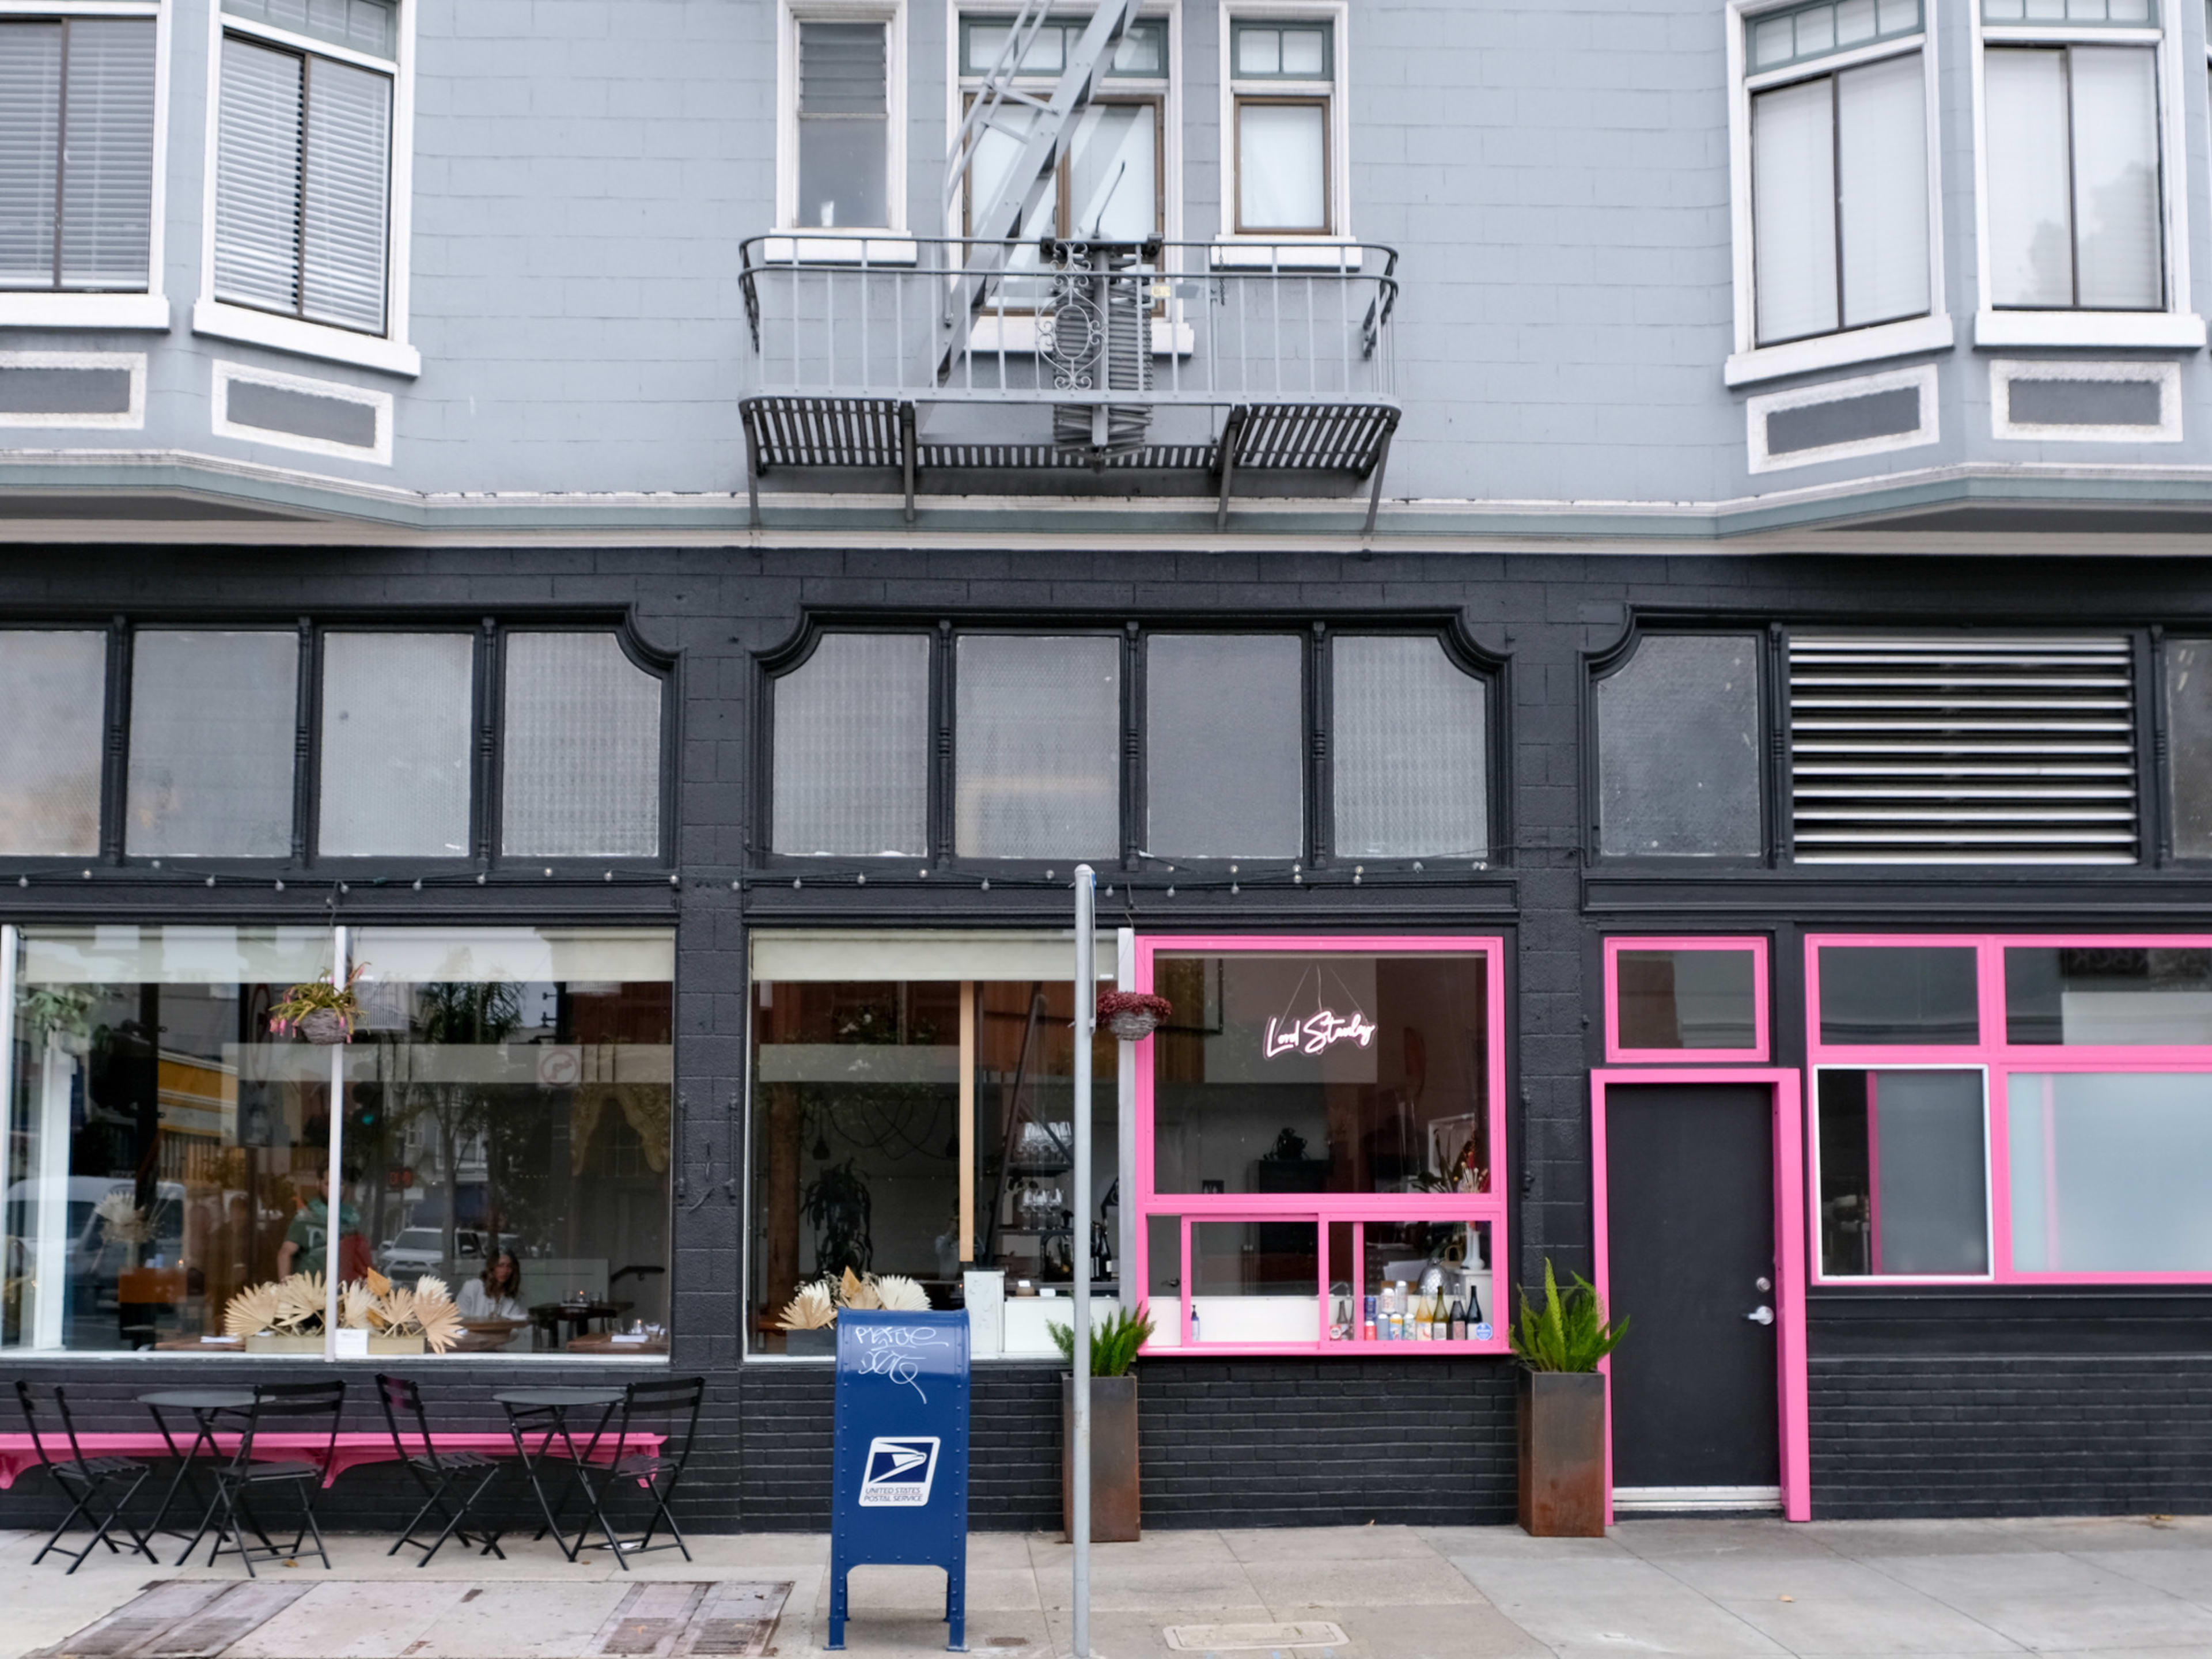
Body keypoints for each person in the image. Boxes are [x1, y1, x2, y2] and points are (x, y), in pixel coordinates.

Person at [276, 1169, 358, 1279]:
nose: (335, 1189)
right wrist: (284, 1289)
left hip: (343, 1291)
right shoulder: (307, 1216)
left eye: (341, 1184)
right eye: (328, 1184)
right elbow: (285, 1253)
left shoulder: (352, 1217)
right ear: (318, 1184)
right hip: (310, 1291)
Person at [457, 1250, 527, 1321]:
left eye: (509, 1266)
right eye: (501, 1266)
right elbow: (459, 1318)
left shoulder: (514, 1295)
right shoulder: (472, 1287)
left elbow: (518, 1322)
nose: (505, 1271)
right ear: (492, 1268)